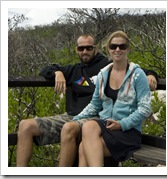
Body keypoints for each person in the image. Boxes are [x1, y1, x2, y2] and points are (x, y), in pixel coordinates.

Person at [16, 34, 157, 167]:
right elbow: (46, 69)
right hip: (74, 115)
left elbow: (132, 70)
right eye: (81, 48)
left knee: (70, 128)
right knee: (25, 125)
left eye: (89, 48)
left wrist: (151, 75)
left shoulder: (106, 65)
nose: (85, 51)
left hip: (97, 118)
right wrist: (56, 73)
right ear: (76, 50)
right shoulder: (74, 69)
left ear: (95, 48)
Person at [59, 31, 152, 167]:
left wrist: (122, 124)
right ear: (108, 49)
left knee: (85, 140)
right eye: (113, 46)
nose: (117, 49)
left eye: (122, 46)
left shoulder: (138, 75)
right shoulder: (104, 74)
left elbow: (145, 108)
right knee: (86, 134)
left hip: (128, 131)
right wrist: (76, 119)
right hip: (107, 127)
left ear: (128, 49)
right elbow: (95, 104)